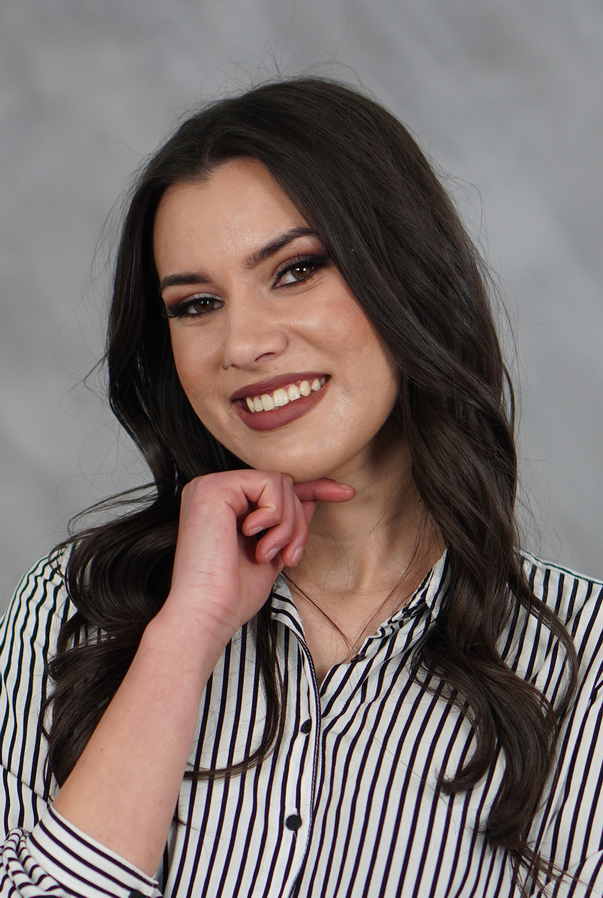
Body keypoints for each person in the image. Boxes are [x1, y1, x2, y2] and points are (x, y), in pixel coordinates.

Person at [0, 76, 601, 898]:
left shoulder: (582, 662)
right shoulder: (78, 608)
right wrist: (184, 637)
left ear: (407, 277)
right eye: (196, 304)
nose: (243, 344)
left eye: (296, 270)